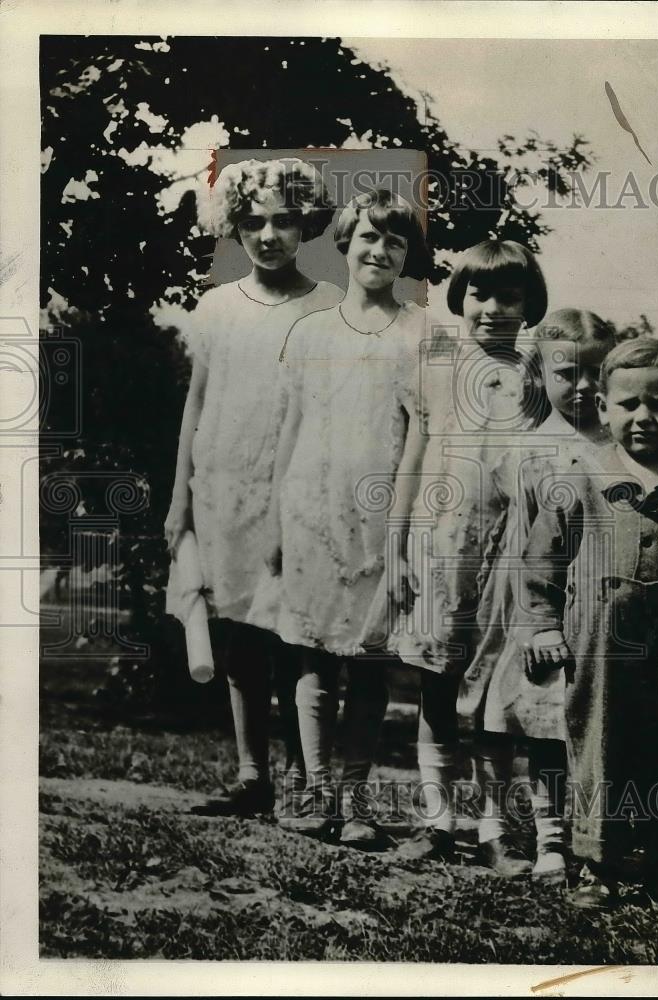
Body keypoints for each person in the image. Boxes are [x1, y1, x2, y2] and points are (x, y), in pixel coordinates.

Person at [517, 337, 658, 908]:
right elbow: (542, 561)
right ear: (603, 408)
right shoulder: (579, 478)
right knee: (598, 744)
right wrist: (544, 626)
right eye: (627, 405)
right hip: (595, 644)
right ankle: (595, 860)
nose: (643, 417)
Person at [248, 188, 431, 845]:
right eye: (367, 238)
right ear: (346, 243)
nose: (378, 251)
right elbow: (289, 426)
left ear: (407, 255)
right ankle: (316, 795)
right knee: (311, 661)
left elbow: (419, 438)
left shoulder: (420, 332)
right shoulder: (311, 330)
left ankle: (354, 800)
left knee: (369, 662)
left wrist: (402, 532)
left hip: (381, 518)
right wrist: (274, 517)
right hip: (309, 511)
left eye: (394, 241)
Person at [164, 158, 342, 817]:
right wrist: (179, 499)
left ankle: (307, 780)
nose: (269, 235)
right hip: (224, 488)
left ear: (306, 225)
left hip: (300, 491)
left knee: (301, 633)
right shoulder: (215, 308)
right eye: (253, 223)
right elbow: (196, 404)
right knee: (239, 631)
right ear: (235, 229)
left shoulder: (328, 305)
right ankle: (250, 775)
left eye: (284, 221)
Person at [389, 239, 548, 871]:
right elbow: (409, 461)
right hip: (440, 552)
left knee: (489, 698)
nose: (492, 309)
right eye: (480, 294)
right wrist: (397, 546)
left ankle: (493, 831)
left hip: (507, 562)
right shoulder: (435, 364)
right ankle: (436, 822)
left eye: (509, 296)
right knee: (436, 689)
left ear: (529, 304)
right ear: (461, 298)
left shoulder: (540, 377)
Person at [462, 308, 615, 886]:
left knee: (553, 721)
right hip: (515, 598)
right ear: (540, 375)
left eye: (596, 373)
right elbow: (507, 525)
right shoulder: (528, 443)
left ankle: (555, 841)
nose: (582, 387)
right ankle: (492, 828)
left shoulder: (614, 447)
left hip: (578, 602)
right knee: (497, 714)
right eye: (566, 374)